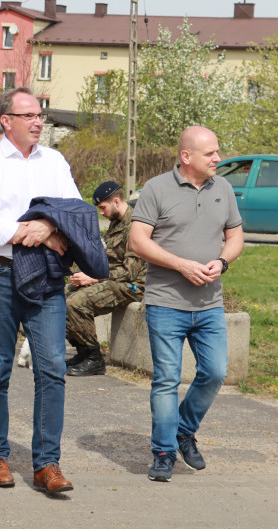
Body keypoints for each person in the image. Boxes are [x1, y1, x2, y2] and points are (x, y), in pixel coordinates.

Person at [0, 87, 83, 496]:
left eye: (41, 116)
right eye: (30, 115)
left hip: (47, 276)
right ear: (7, 121)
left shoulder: (55, 161)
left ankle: (47, 464)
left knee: (52, 366)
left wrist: (50, 228)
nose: (38, 122)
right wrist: (38, 231)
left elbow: (76, 211)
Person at [128, 125, 244, 483]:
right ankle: (163, 452)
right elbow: (136, 240)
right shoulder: (156, 189)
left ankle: (183, 430)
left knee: (215, 372)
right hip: (166, 302)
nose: (218, 159)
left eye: (217, 152)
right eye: (211, 153)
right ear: (186, 157)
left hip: (209, 304)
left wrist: (222, 261)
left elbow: (236, 235)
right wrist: (180, 264)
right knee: (166, 379)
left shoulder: (222, 188)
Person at [64, 181, 147, 377]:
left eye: (103, 207)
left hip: (131, 286)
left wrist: (93, 278)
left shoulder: (135, 224)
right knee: (61, 296)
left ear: (116, 201)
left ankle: (94, 359)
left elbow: (130, 272)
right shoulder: (116, 222)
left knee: (76, 303)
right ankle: (83, 352)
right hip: (112, 280)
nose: (101, 213)